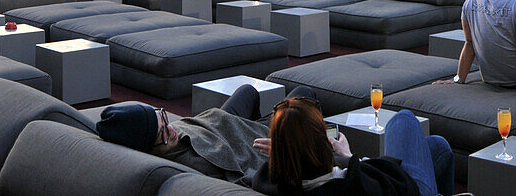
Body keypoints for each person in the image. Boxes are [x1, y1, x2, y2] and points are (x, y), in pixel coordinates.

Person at [96, 83, 316, 186]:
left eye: (163, 118)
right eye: (163, 133)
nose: (171, 129)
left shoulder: (163, 136)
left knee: (247, 91)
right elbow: (241, 179)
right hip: (248, 143)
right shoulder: (185, 168)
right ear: (148, 147)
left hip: (219, 124)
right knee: (303, 98)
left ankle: (258, 123)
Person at [251, 96, 455, 196]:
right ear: (322, 141)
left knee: (436, 145)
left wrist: (289, 148)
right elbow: (397, 179)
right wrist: (349, 156)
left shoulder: (273, 181)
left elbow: (276, 170)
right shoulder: (351, 185)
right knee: (403, 120)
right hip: (411, 190)